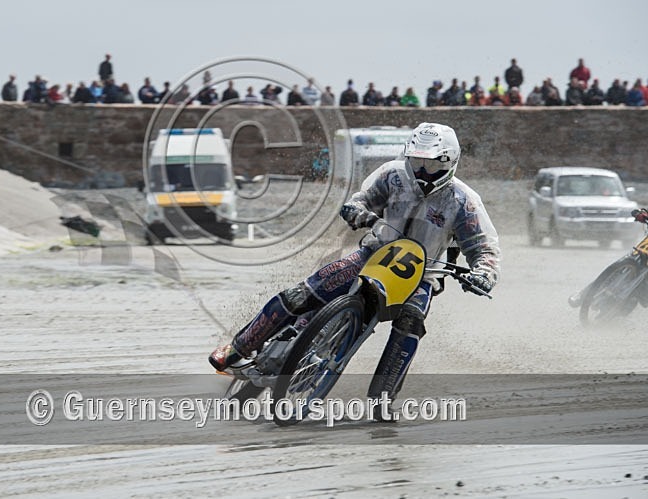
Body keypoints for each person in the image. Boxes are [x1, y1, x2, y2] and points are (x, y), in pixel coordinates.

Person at [208, 123, 501, 416]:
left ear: (449, 162)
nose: (422, 171)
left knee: (410, 323)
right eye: (416, 162)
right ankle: (237, 348)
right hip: (372, 255)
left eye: (431, 165)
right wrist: (356, 211)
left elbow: (484, 247)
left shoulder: (464, 201)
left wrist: (484, 273)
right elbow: (361, 199)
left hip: (421, 278)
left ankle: (382, 400)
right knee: (302, 293)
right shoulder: (392, 174)